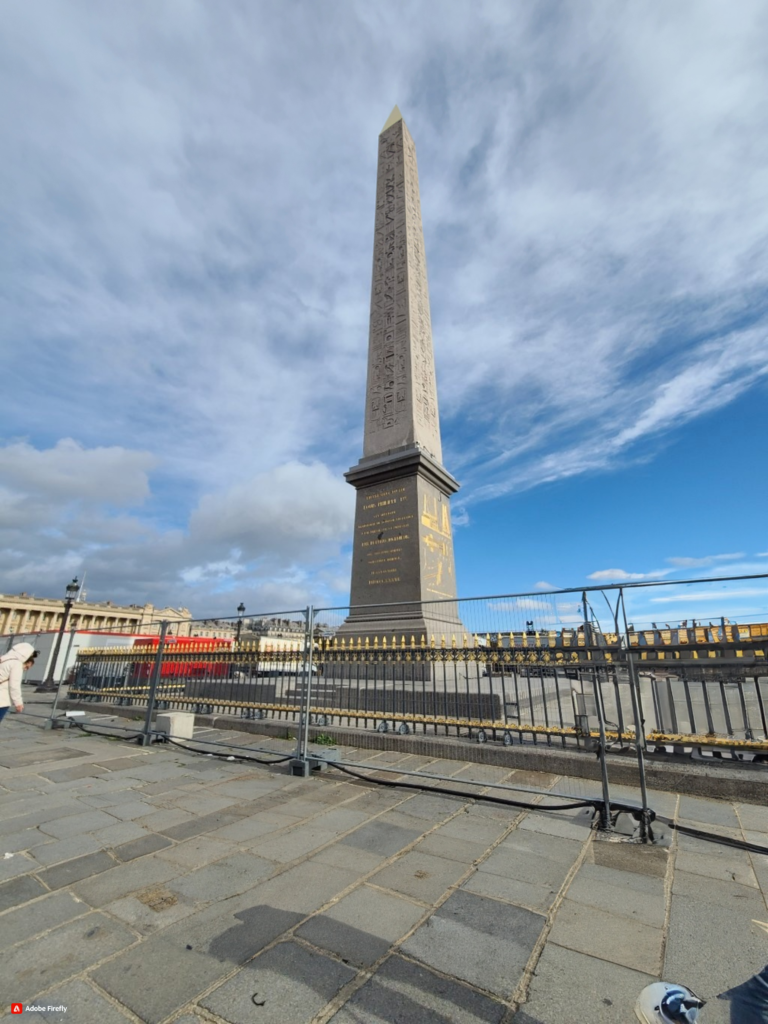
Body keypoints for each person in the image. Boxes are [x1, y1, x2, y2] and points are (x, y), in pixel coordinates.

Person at [0, 642, 37, 724]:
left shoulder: (3, 659)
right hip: (2, 699)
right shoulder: (16, 664)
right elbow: (14, 685)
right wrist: (18, 703)